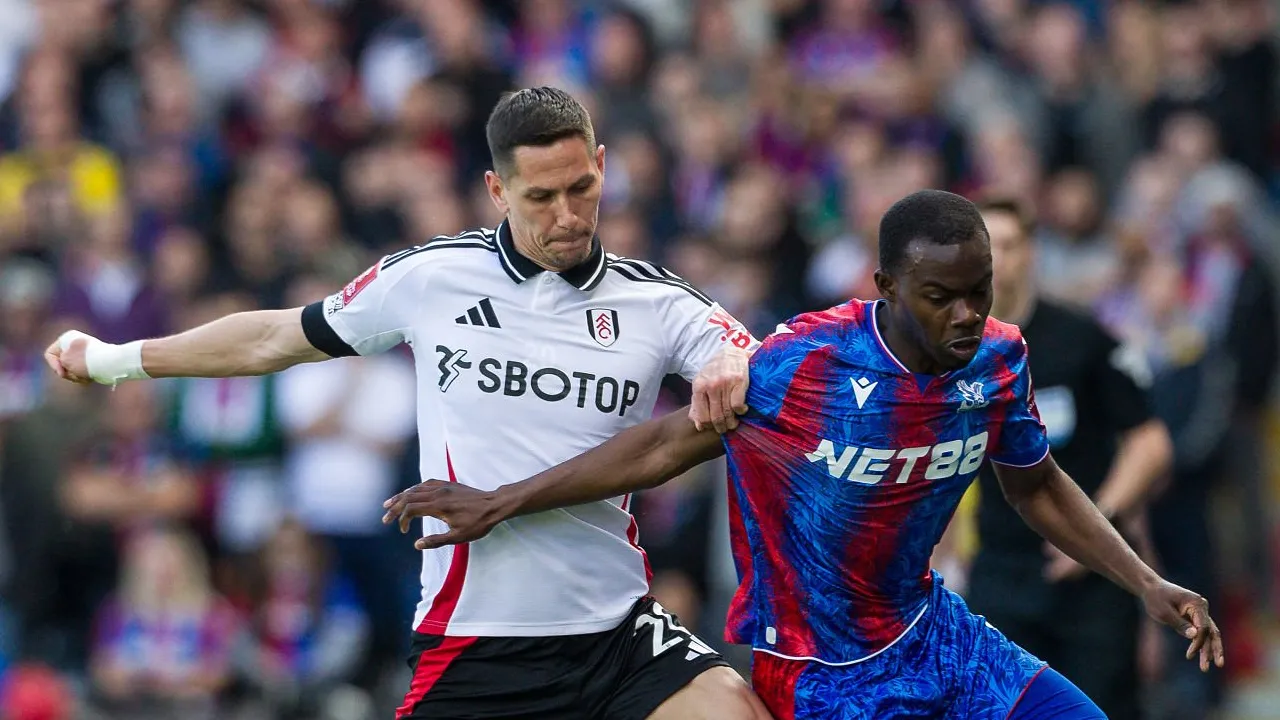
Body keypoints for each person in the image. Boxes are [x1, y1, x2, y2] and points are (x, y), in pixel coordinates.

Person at [45, 86, 771, 720]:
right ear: (497, 190)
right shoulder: (433, 278)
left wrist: (732, 365)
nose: (567, 216)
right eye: (540, 198)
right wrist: (113, 359)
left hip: (619, 632)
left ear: (603, 165)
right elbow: (273, 337)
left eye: (581, 188)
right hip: (476, 641)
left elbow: (768, 370)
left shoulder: (658, 302)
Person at [384, 190, 1225, 719]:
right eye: (942, 297)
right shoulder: (805, 365)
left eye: (980, 292)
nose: (967, 315)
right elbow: (666, 443)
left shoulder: (1000, 357)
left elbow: (1035, 485)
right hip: (819, 675)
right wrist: (503, 499)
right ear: (886, 288)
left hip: (938, 636)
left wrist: (1145, 582)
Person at [957, 198, 1173, 719]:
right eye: (986, 249)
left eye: (1009, 245)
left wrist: (1095, 523)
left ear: (1031, 252)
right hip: (1002, 571)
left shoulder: (1082, 339)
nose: (998, 261)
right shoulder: (956, 352)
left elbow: (1149, 444)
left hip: (1090, 578)